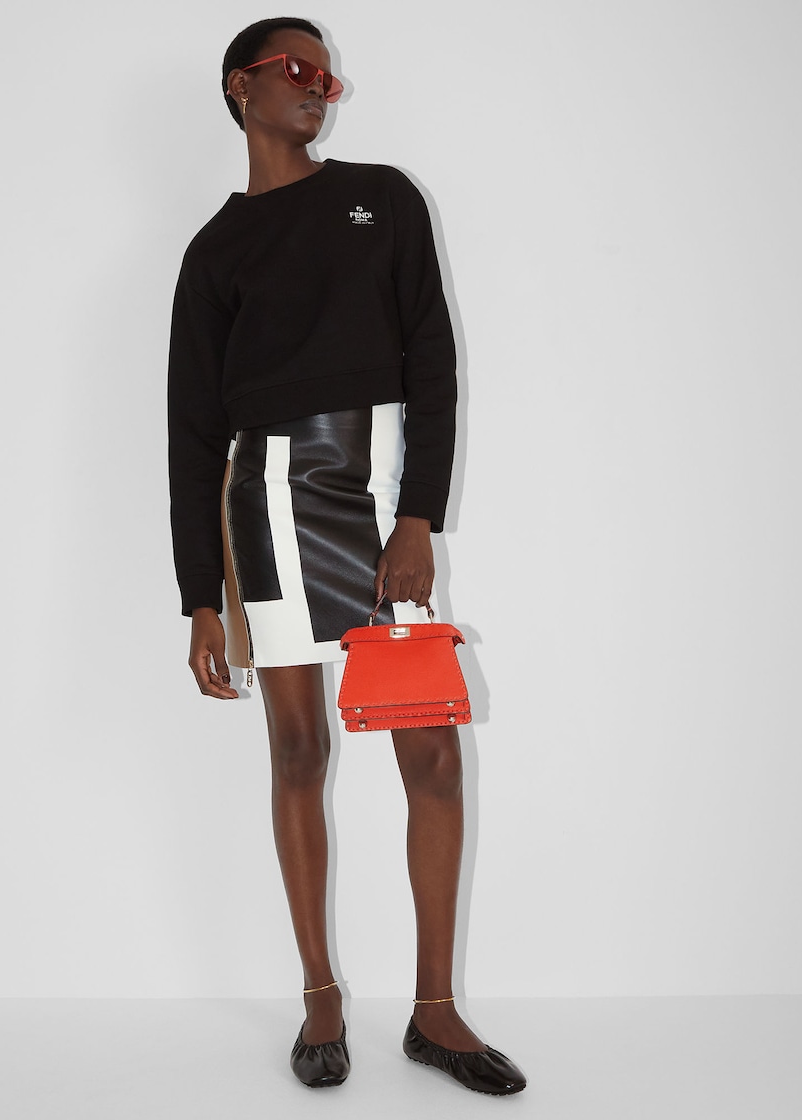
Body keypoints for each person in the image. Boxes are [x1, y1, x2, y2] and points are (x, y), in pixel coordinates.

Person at [166, 16, 526, 1095]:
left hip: (376, 500)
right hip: (268, 502)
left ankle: (434, 1013)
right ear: (241, 87)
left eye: (326, 74)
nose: (320, 86)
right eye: (297, 70)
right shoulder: (215, 251)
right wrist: (199, 597)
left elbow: (433, 362)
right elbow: (191, 434)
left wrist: (418, 518)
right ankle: (320, 997)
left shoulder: (383, 199)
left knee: (432, 753)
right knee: (296, 748)